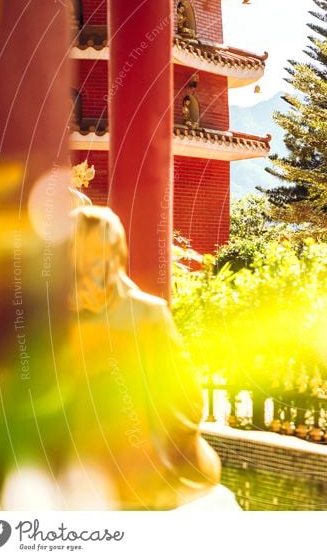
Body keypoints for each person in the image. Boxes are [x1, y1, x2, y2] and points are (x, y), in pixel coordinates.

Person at [67, 206, 221, 509]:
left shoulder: (145, 314)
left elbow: (182, 394)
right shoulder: (53, 319)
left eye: (96, 260)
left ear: (114, 258)